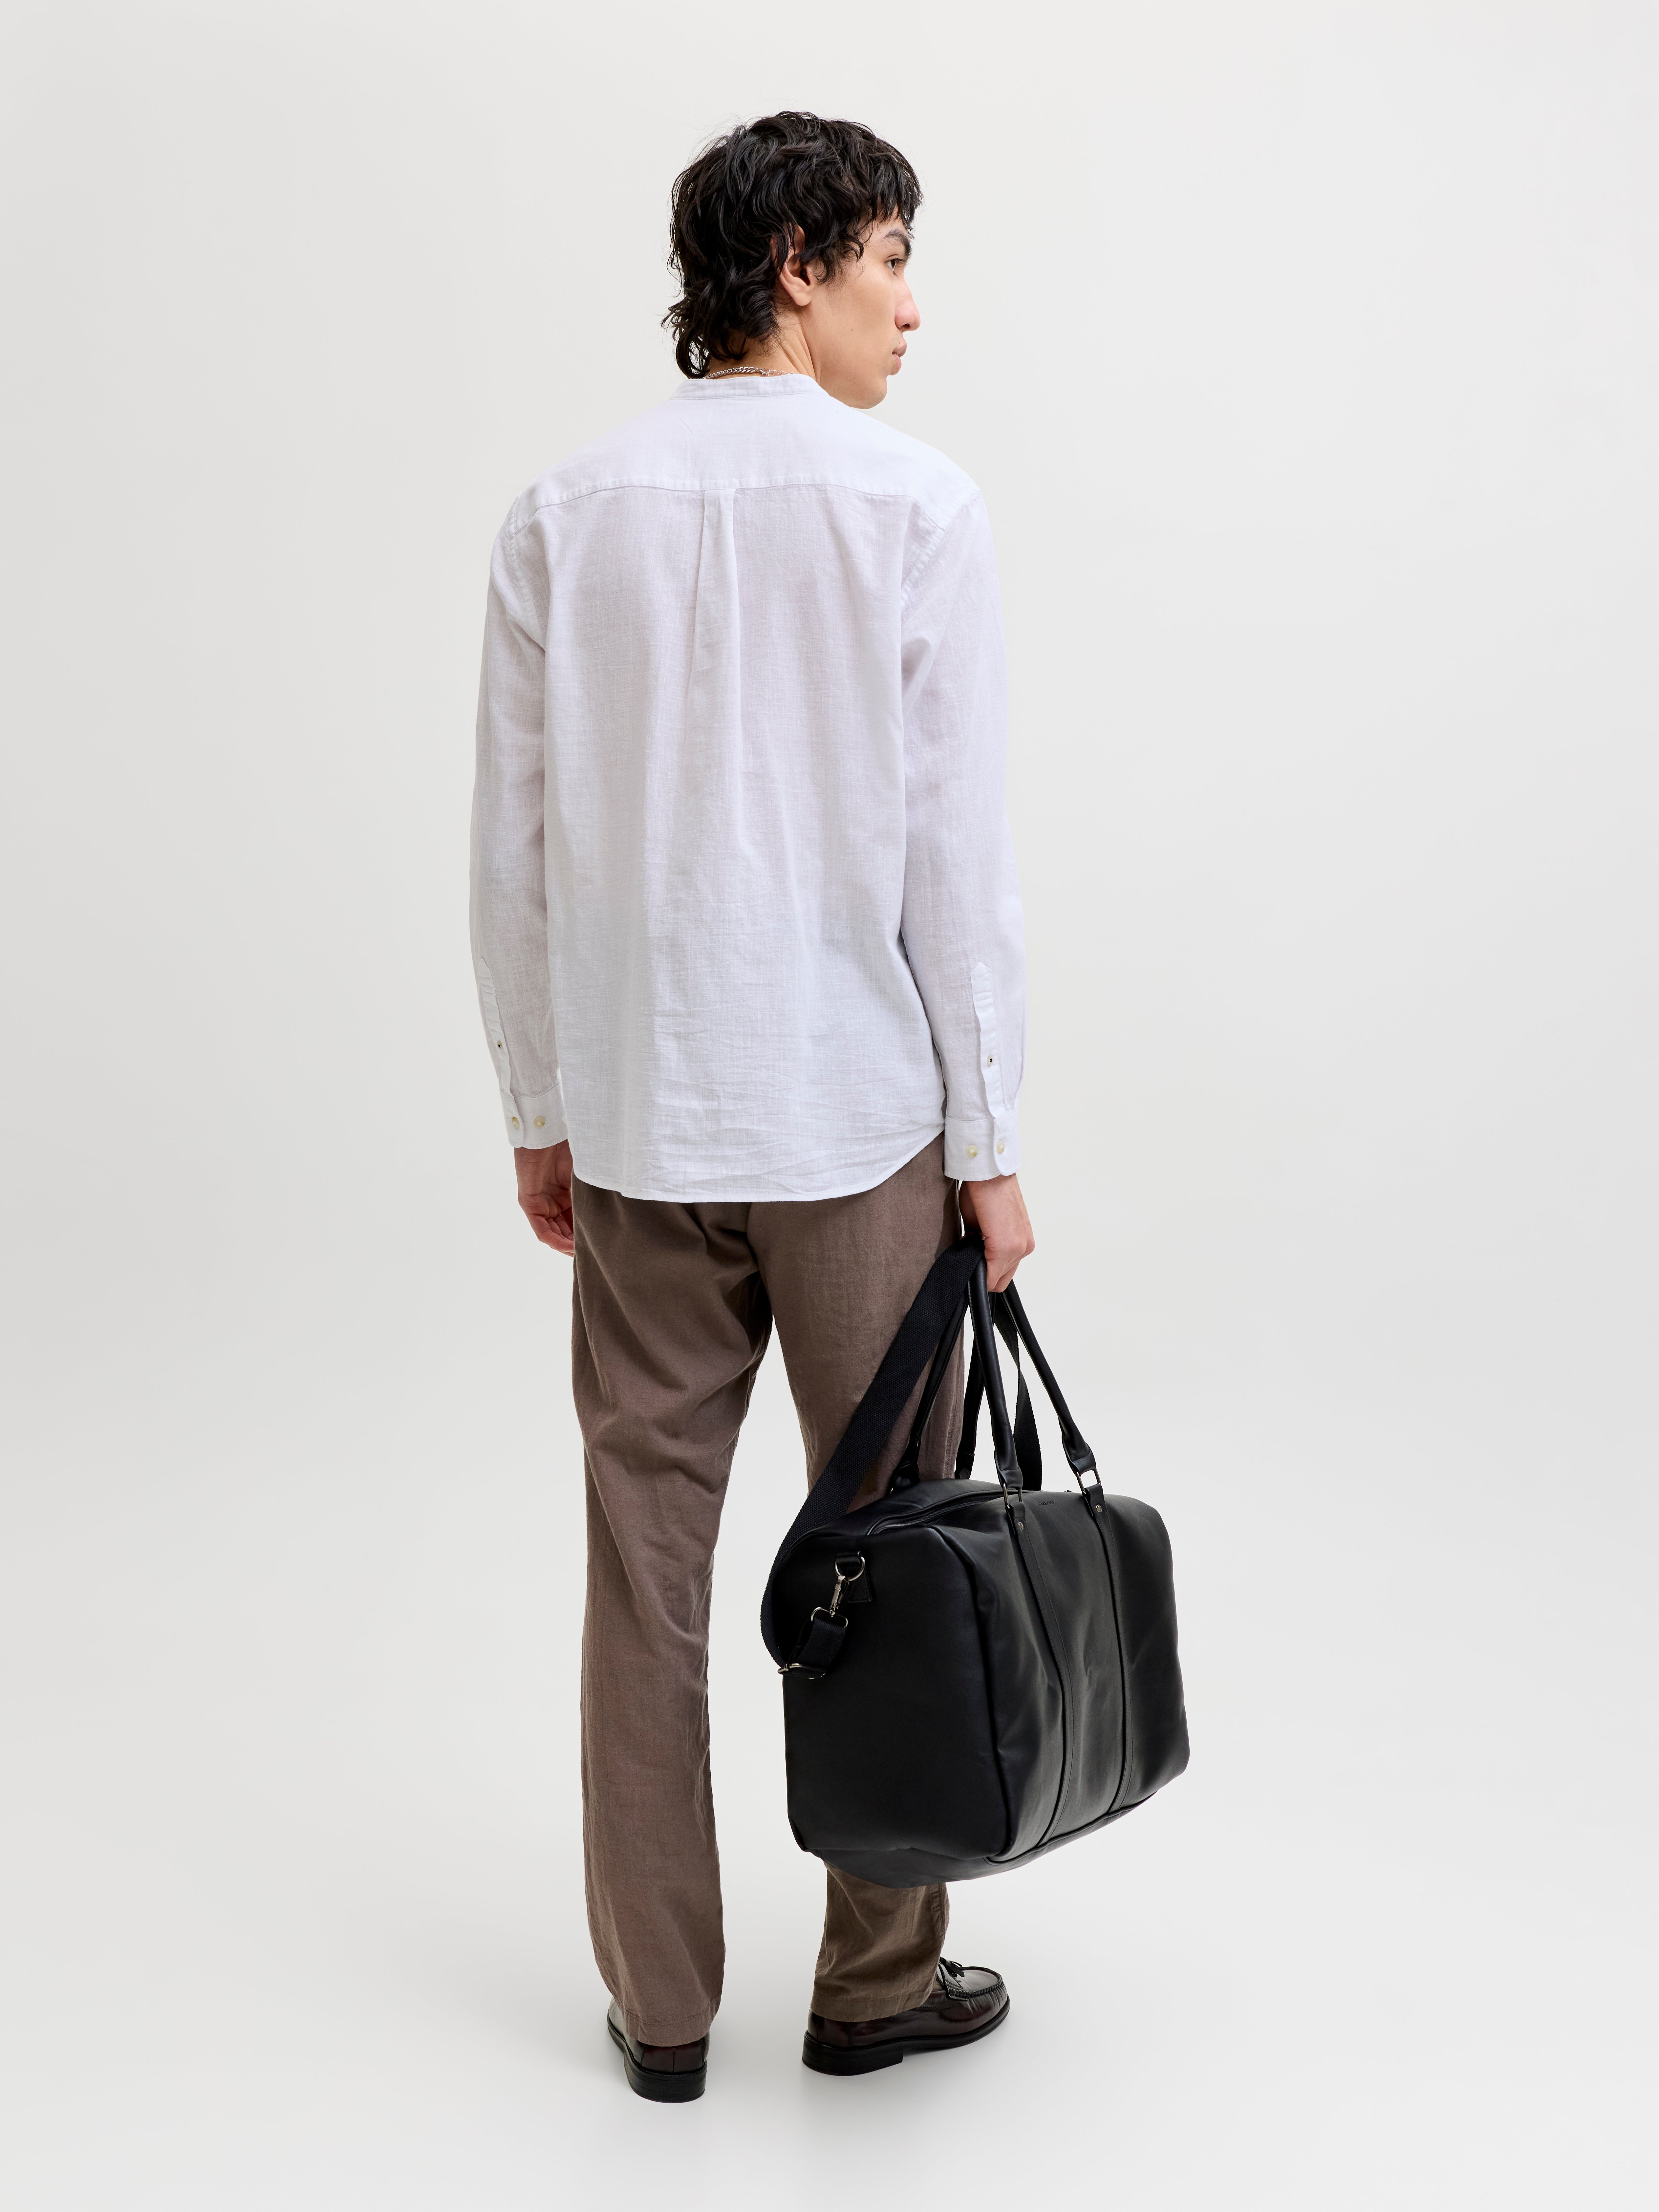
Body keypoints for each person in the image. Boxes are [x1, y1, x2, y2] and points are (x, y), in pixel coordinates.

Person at [469, 111, 1034, 2101]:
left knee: (645, 1569)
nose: (912, 303)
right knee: (895, 1543)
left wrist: (541, 1103)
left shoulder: (563, 512)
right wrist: (992, 1147)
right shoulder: (917, 507)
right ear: (795, 264)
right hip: (860, 1125)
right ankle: (875, 1982)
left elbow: (515, 849)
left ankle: (663, 2007)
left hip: (640, 1126)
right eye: (889, 257)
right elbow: (956, 866)